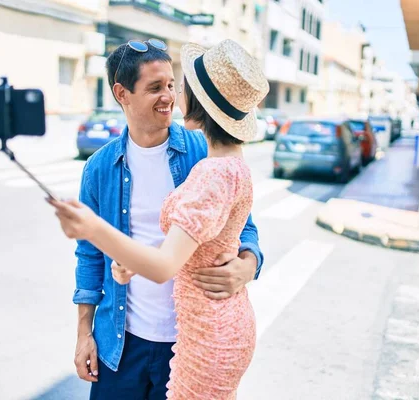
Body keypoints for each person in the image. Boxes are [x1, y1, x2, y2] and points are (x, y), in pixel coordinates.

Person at [52, 38, 265, 400]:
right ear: (122, 94)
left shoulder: (204, 155)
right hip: (123, 342)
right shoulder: (100, 168)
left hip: (187, 338)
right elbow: (89, 257)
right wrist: (83, 333)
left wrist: (248, 264)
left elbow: (243, 226)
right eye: (155, 88)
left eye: (171, 85)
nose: (168, 96)